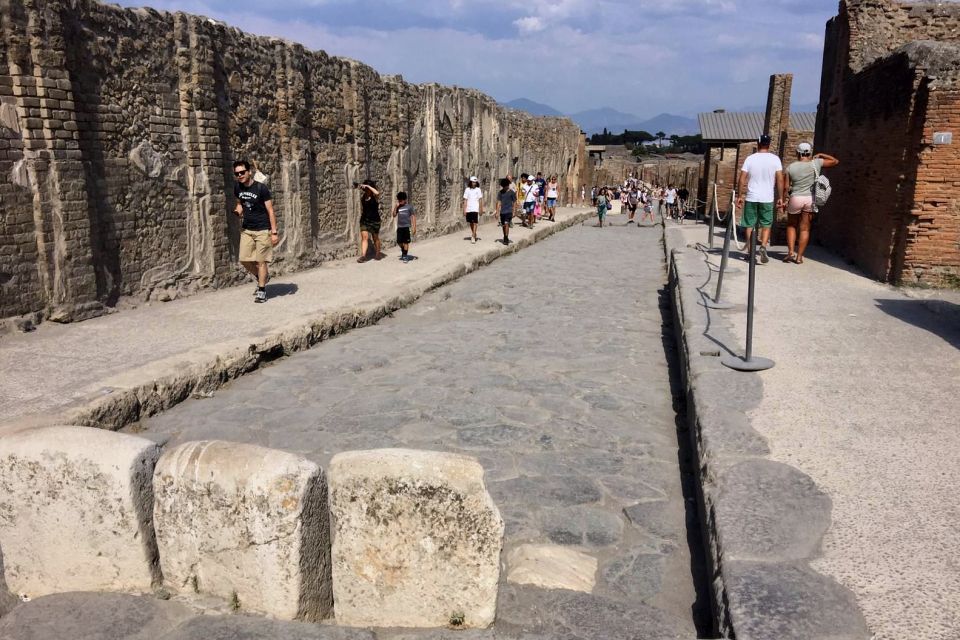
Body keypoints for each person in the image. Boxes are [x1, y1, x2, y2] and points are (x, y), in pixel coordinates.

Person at [782, 142, 839, 264]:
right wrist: (821, 154)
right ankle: (799, 257)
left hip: (796, 198)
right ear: (809, 153)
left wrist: (783, 200)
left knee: (792, 225)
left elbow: (786, 188)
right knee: (805, 229)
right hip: (810, 199)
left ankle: (791, 253)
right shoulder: (817, 163)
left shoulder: (790, 167)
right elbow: (835, 161)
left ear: (797, 153)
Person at [233, 160, 279, 304]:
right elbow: (240, 203)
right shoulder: (238, 187)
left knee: (261, 261)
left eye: (242, 172)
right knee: (244, 259)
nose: (240, 175)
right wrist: (237, 211)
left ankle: (262, 290)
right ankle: (262, 277)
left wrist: (274, 232)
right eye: (237, 173)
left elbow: (270, 210)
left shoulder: (261, 188)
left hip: (262, 229)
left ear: (249, 172)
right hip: (247, 229)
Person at [736, 135, 783, 264]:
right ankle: (763, 246)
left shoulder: (750, 159)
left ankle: (751, 252)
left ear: (758, 143)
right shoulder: (775, 159)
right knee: (766, 224)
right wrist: (780, 197)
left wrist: (739, 196)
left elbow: (742, 179)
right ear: (769, 144)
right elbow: (780, 179)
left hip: (752, 196)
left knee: (749, 224)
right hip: (767, 197)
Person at [356, 179, 383, 263]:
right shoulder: (364, 196)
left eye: (368, 188)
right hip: (364, 220)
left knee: (375, 238)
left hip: (375, 220)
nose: (366, 190)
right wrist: (360, 185)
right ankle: (363, 256)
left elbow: (377, 193)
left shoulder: (375, 196)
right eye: (366, 188)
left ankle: (378, 253)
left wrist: (368, 186)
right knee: (365, 237)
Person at [392, 191, 417, 262]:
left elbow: (413, 217)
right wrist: (395, 207)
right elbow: (394, 215)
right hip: (400, 227)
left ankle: (405, 256)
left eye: (401, 200)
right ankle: (403, 250)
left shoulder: (409, 207)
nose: (399, 201)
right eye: (398, 200)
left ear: (405, 199)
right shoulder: (398, 207)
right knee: (399, 242)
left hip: (406, 227)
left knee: (406, 242)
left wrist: (414, 227)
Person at [495, 177, 516, 245]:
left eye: (506, 186)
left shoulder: (512, 193)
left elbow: (515, 202)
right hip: (502, 212)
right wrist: (497, 212)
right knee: (503, 225)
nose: (504, 187)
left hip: (509, 211)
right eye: (503, 186)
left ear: (508, 185)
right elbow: (498, 202)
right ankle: (505, 236)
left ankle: (506, 238)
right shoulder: (500, 193)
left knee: (506, 224)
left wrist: (514, 211)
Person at [463, 176, 483, 244]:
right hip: (469, 208)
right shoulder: (467, 190)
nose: (474, 183)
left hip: (475, 208)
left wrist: (481, 209)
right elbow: (465, 200)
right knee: (471, 223)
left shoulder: (478, 190)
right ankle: (474, 233)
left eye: (475, 182)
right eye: (473, 182)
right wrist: (464, 209)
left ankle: (473, 236)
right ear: (470, 182)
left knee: (475, 222)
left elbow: (480, 200)